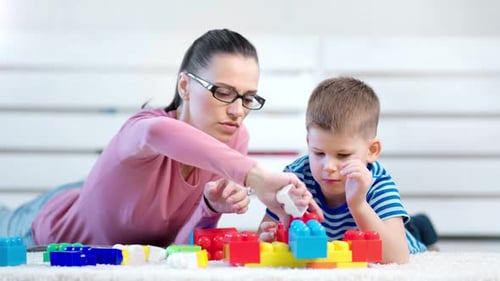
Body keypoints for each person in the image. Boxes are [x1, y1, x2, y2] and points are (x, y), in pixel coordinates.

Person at [0, 28, 321, 247]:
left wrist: (210, 207)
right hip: (46, 226)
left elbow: (177, 248)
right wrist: (257, 176)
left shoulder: (234, 139)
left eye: (248, 97)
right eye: (223, 92)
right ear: (184, 86)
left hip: (109, 202)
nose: (237, 110)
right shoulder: (144, 129)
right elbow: (160, 134)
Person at [259, 76, 438, 264]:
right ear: (309, 142)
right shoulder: (295, 177)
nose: (328, 166)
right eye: (319, 153)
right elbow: (264, 233)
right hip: (330, 244)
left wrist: (358, 204)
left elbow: (398, 257)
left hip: (390, 233)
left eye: (343, 155)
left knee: (413, 231)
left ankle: (419, 226)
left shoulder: (377, 182)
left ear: (371, 151)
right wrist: (272, 236)